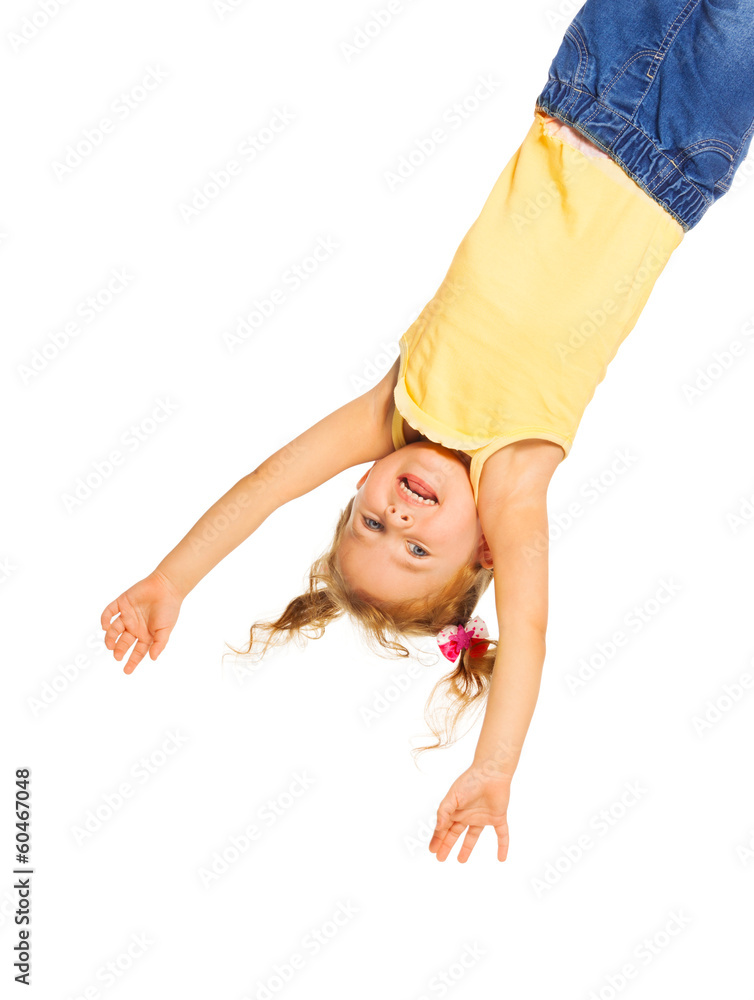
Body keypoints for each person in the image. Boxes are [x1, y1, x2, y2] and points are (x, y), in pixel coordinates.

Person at [101, 0, 754, 863]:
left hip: (583, 90)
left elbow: (267, 484)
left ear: (357, 490)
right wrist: (495, 765)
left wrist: (171, 579)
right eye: (417, 551)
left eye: (372, 522)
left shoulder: (392, 407)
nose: (400, 520)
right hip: (680, 141)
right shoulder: (512, 483)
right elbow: (525, 631)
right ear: (480, 551)